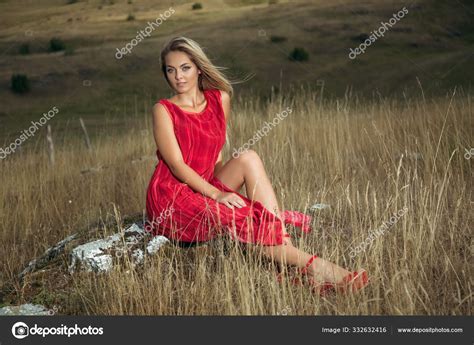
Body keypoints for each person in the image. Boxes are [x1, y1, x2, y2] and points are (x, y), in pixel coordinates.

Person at [145, 36, 368, 295]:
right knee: (244, 218)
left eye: (185, 68)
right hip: (171, 196)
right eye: (170, 70)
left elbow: (216, 153)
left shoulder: (220, 99)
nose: (178, 77)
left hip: (203, 184)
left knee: (248, 157)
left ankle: (288, 264)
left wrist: (222, 188)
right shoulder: (163, 109)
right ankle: (323, 269)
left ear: (198, 68)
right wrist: (217, 194)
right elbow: (176, 165)